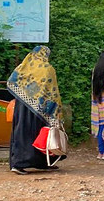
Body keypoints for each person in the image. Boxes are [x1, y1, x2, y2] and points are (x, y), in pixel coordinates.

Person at [6, 45, 66, 174]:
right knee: (41, 134)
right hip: (40, 110)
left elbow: (12, 81)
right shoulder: (48, 69)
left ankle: (19, 163)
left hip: (21, 107)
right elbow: (52, 92)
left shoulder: (23, 67)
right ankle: (42, 161)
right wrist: (56, 110)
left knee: (21, 132)